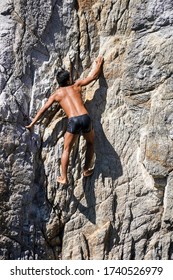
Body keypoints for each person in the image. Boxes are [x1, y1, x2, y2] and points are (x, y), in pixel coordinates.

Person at [26, 56, 104, 184]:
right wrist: (98, 65)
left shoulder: (57, 94)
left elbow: (43, 109)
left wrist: (32, 123)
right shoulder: (76, 85)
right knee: (90, 143)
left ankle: (64, 177)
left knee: (67, 149)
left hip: (73, 120)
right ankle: (85, 169)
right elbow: (93, 77)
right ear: (68, 80)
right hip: (85, 117)